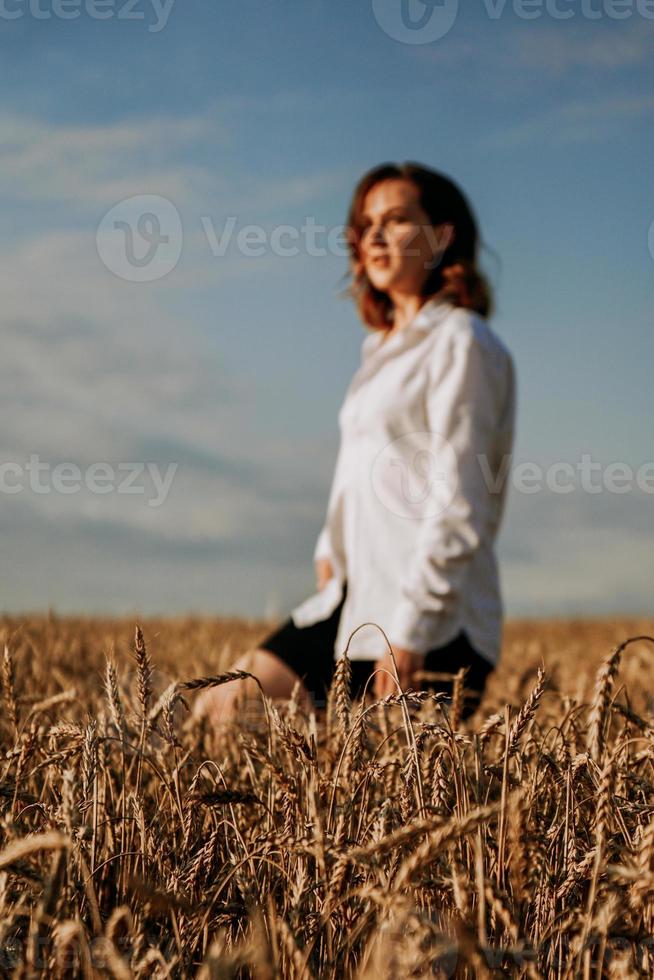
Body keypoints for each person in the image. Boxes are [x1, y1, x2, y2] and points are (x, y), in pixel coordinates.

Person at [193, 161, 516, 728]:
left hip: (435, 620)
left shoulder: (462, 343)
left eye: (395, 220)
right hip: (353, 601)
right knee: (225, 710)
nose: (375, 236)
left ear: (442, 236)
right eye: (365, 224)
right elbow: (361, 464)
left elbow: (460, 500)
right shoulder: (379, 351)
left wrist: (413, 627)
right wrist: (330, 546)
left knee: (378, 787)